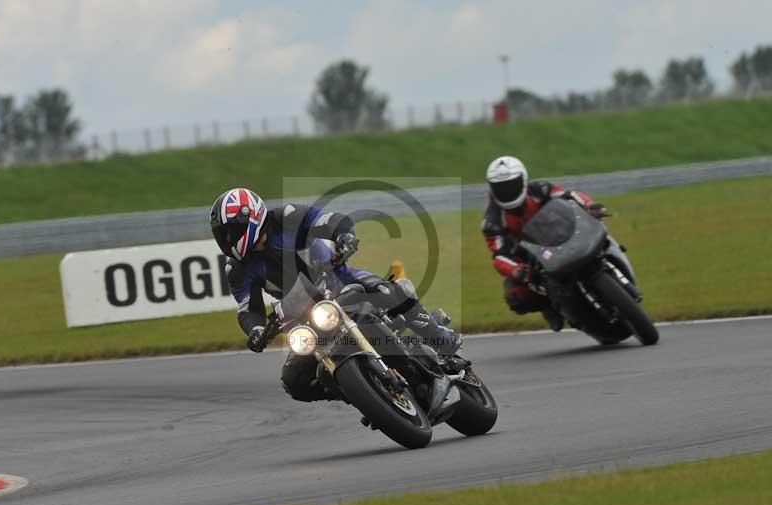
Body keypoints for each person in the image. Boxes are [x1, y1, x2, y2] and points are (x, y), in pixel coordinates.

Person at [210, 187, 461, 402]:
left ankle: (441, 339)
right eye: (223, 235)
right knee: (294, 380)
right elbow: (248, 308)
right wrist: (256, 331)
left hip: (340, 280)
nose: (227, 239)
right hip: (304, 316)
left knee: (388, 292)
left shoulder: (286, 217)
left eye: (230, 231)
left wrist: (344, 236)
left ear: (250, 218)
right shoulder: (237, 268)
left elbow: (327, 220)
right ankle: (360, 393)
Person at [481, 156, 607, 331]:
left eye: (511, 185)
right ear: (492, 188)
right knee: (516, 297)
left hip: (562, 231)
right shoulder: (492, 221)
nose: (507, 191)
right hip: (532, 254)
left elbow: (568, 195)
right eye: (501, 187)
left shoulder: (539, 189)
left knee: (597, 227)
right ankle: (548, 306)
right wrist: (516, 270)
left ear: (523, 180)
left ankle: (609, 257)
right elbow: (499, 255)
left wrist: (589, 205)